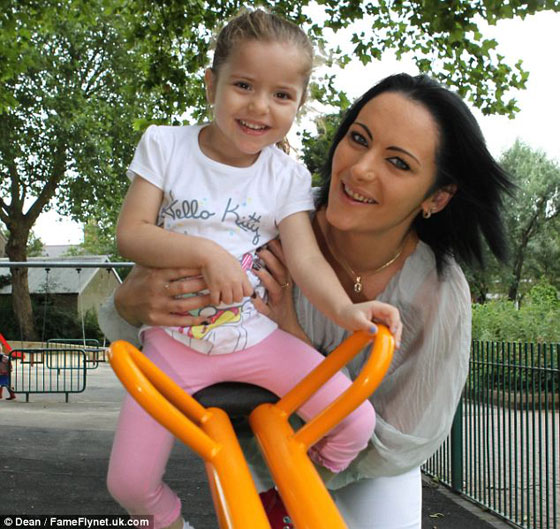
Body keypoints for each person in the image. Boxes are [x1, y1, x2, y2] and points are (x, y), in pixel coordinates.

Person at [100, 72, 513, 529]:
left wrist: (294, 337)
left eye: (398, 163)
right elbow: (140, 317)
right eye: (359, 139)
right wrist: (129, 302)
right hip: (252, 452)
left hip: (361, 466)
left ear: (436, 197)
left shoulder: (437, 291)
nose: (361, 169)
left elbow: (401, 441)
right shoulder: (267, 214)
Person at [106, 9, 401, 529]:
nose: (260, 106)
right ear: (211, 85)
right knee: (128, 484)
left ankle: (286, 497)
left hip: (258, 339)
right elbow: (131, 233)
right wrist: (207, 253)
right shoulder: (166, 146)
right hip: (174, 345)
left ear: (298, 105)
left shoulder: (286, 175)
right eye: (243, 85)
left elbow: (305, 259)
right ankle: (171, 522)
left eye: (281, 95)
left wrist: (346, 309)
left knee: (355, 424)